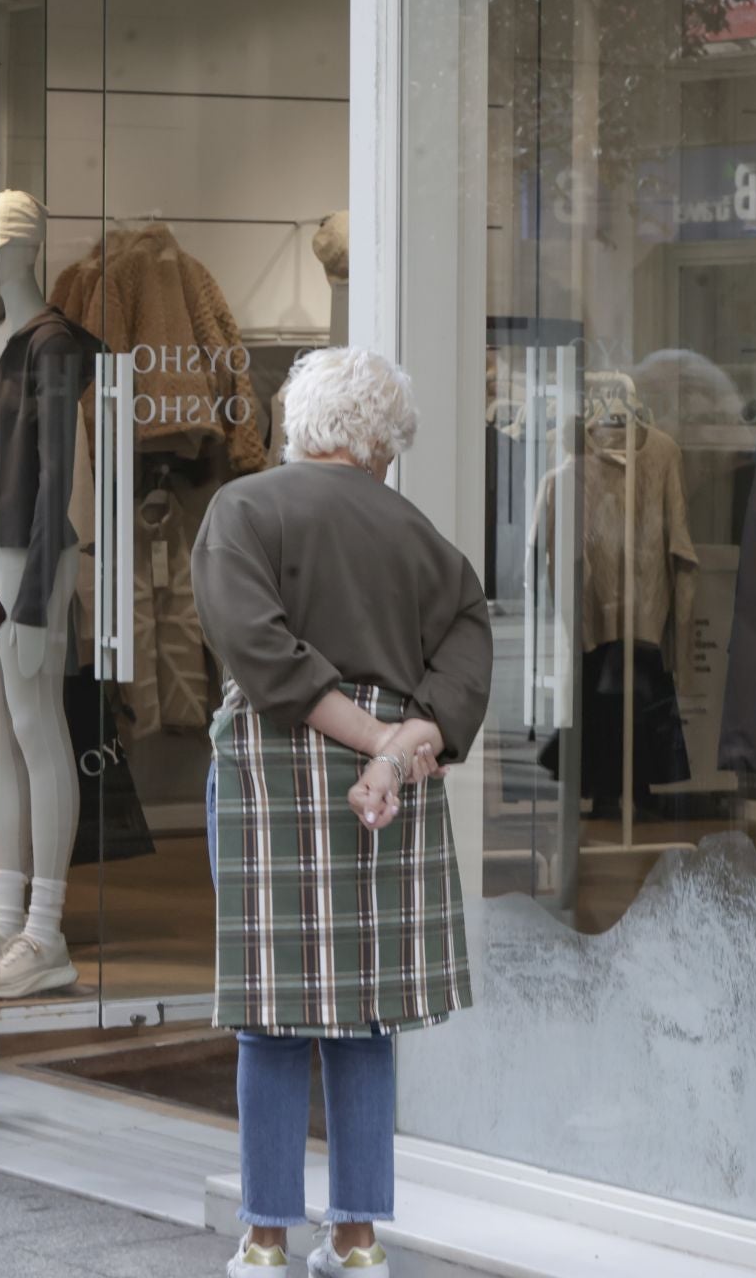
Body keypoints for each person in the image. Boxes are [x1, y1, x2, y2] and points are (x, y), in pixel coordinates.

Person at [191, 348, 493, 1278]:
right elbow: (469, 643)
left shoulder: (243, 507)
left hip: (271, 764)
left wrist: (365, 740)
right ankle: (359, 1242)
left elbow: (258, 650)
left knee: (270, 1011)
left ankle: (264, 1238)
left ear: (304, 424)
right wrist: (398, 744)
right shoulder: (423, 536)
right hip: (391, 780)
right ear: (382, 445)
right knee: (366, 1015)